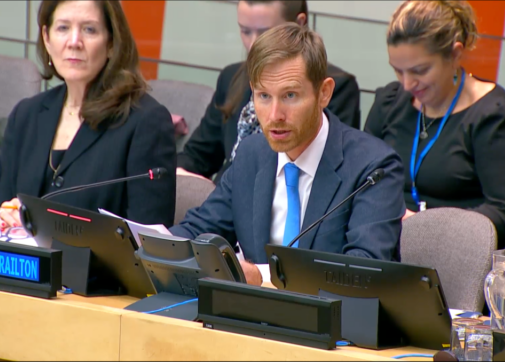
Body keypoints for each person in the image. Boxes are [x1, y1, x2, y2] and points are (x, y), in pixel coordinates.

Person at [170, 23, 405, 286]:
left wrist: (262, 276)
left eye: (290, 95)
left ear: (324, 93)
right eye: (263, 96)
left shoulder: (373, 168)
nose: (274, 116)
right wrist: (147, 245)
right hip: (248, 320)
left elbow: (363, 272)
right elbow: (197, 230)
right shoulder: (252, 154)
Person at [0, 0, 176, 229]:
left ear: (111, 43)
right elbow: (5, 206)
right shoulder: (26, 115)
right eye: (63, 28)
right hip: (23, 264)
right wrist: (4, 217)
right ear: (47, 38)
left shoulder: (146, 122)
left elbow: (149, 246)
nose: (74, 42)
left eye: (89, 30)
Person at [364, 0, 505, 249]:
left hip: (453, 256)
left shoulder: (492, 117)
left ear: (454, 54)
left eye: (419, 70)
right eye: (398, 71)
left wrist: (426, 227)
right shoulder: (390, 102)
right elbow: (359, 177)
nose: (407, 84)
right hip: (382, 242)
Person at [177, 0, 361, 182]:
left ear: (299, 24)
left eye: (266, 32)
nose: (253, 44)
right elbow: (198, 156)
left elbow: (329, 171)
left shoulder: (338, 87)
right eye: (245, 31)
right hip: (224, 199)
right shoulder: (231, 77)